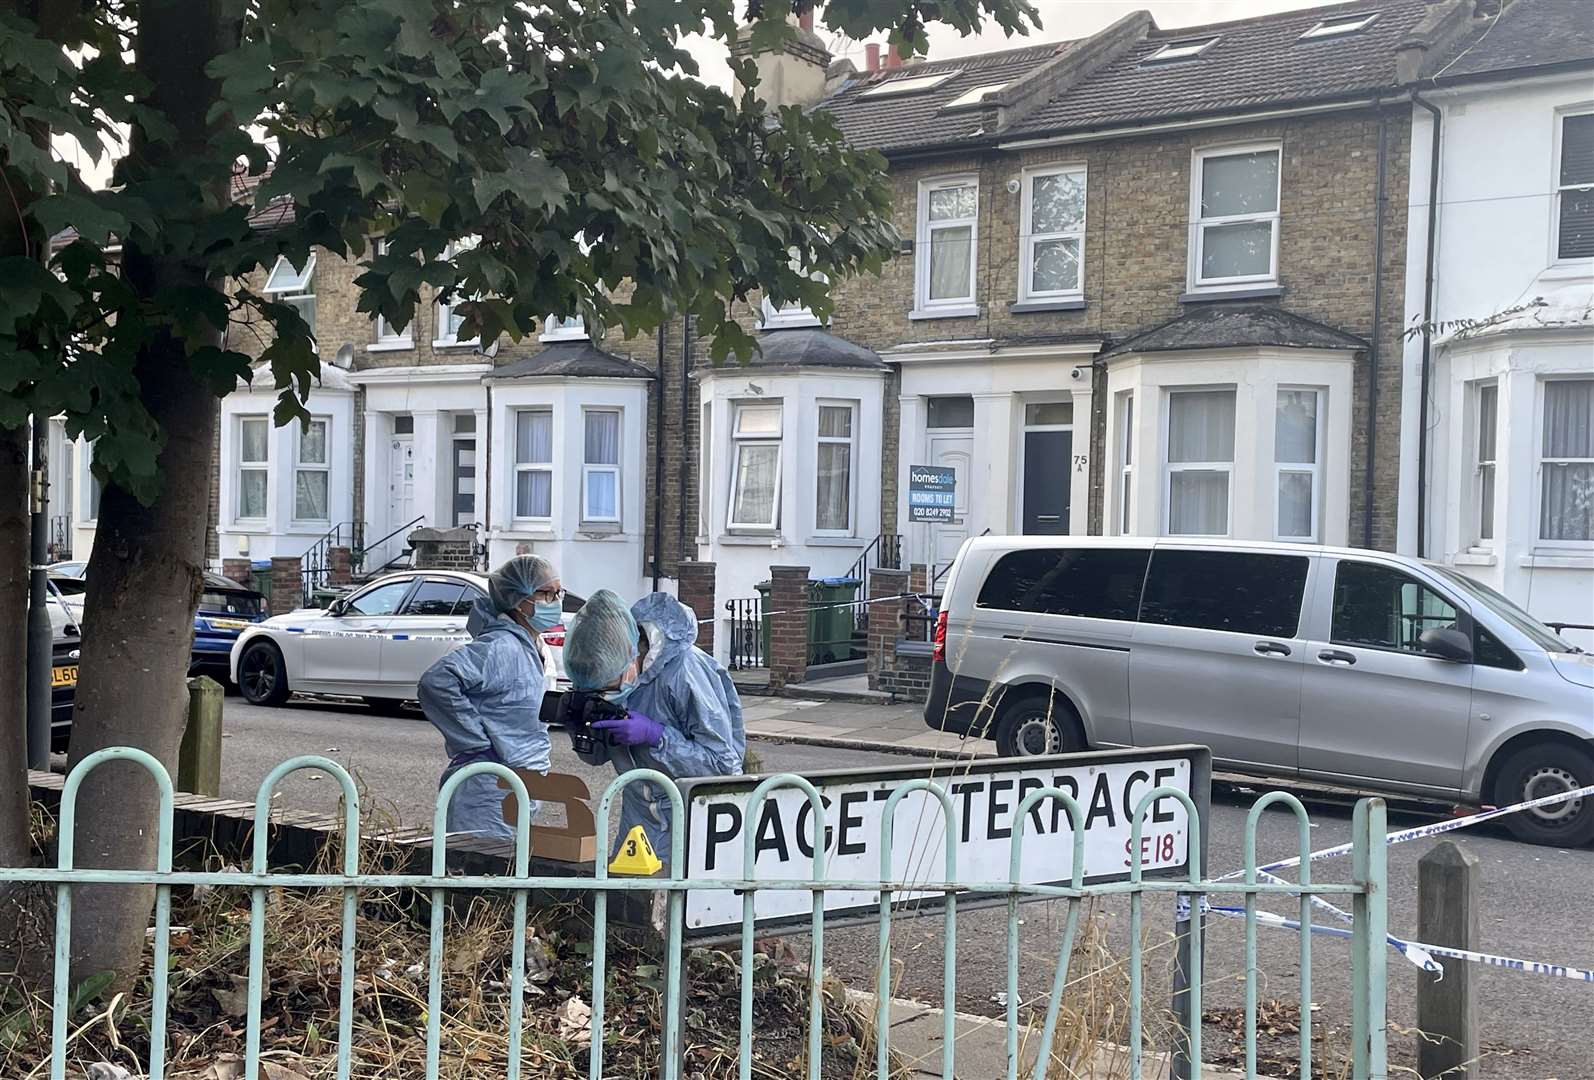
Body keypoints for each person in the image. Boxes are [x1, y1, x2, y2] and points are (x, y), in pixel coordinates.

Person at [563, 589, 745, 866]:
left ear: (630, 654)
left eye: (607, 688)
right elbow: (597, 757)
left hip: (690, 826)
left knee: (680, 907)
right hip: (638, 824)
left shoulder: (685, 672)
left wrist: (657, 737)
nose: (605, 697)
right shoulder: (613, 671)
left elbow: (724, 766)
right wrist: (581, 729)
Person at [417, 554, 563, 840]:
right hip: (489, 788)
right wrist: (476, 743)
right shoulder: (501, 646)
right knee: (482, 873)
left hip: (515, 781)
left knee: (506, 871)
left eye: (558, 593)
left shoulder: (532, 644)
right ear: (518, 600)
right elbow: (437, 682)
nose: (555, 602)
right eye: (546, 593)